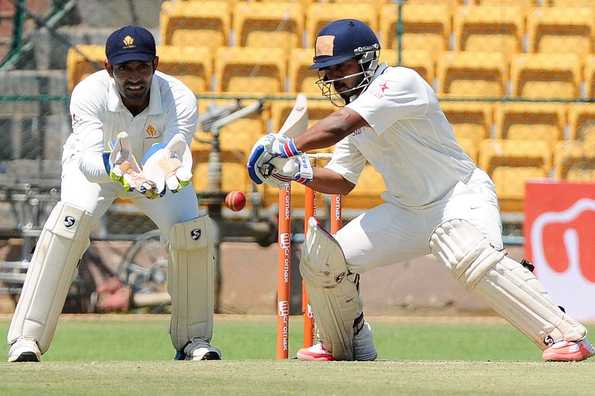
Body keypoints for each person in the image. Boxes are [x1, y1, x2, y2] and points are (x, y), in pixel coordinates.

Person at [247, 19, 594, 362]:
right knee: (322, 260)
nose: (333, 79)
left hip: (459, 196)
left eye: (340, 68)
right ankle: (346, 347)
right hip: (407, 211)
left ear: (366, 60)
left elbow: (339, 126)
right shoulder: (353, 115)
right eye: (326, 72)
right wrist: (298, 172)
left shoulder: (399, 82)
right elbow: (342, 179)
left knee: (464, 249)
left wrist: (287, 146)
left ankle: (565, 335)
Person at [7, 25, 221, 362]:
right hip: (100, 170)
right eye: (124, 68)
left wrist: (151, 172)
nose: (134, 77)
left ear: (155, 64)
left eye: (141, 67)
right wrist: (117, 168)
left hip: (155, 173)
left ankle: (194, 340)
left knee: (190, 233)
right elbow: (90, 161)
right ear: (109, 69)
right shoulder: (88, 93)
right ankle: (26, 340)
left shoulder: (180, 97)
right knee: (69, 224)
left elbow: (174, 151)